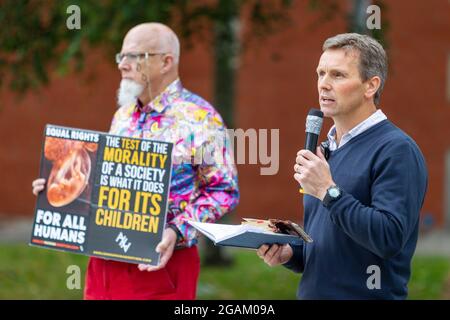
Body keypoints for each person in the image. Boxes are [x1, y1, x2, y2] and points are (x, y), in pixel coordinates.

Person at [32, 22, 239, 300]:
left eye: (133, 56)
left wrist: (177, 230)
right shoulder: (123, 115)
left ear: (166, 62)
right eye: (121, 57)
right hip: (104, 262)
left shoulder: (200, 118)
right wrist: (57, 184)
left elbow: (223, 191)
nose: (122, 65)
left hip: (162, 263)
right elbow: (106, 182)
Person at [257, 33, 427, 299]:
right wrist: (292, 252)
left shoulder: (396, 150)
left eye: (337, 75)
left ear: (370, 86)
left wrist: (328, 190)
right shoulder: (327, 148)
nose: (323, 84)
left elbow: (389, 237)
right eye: (320, 73)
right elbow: (335, 242)